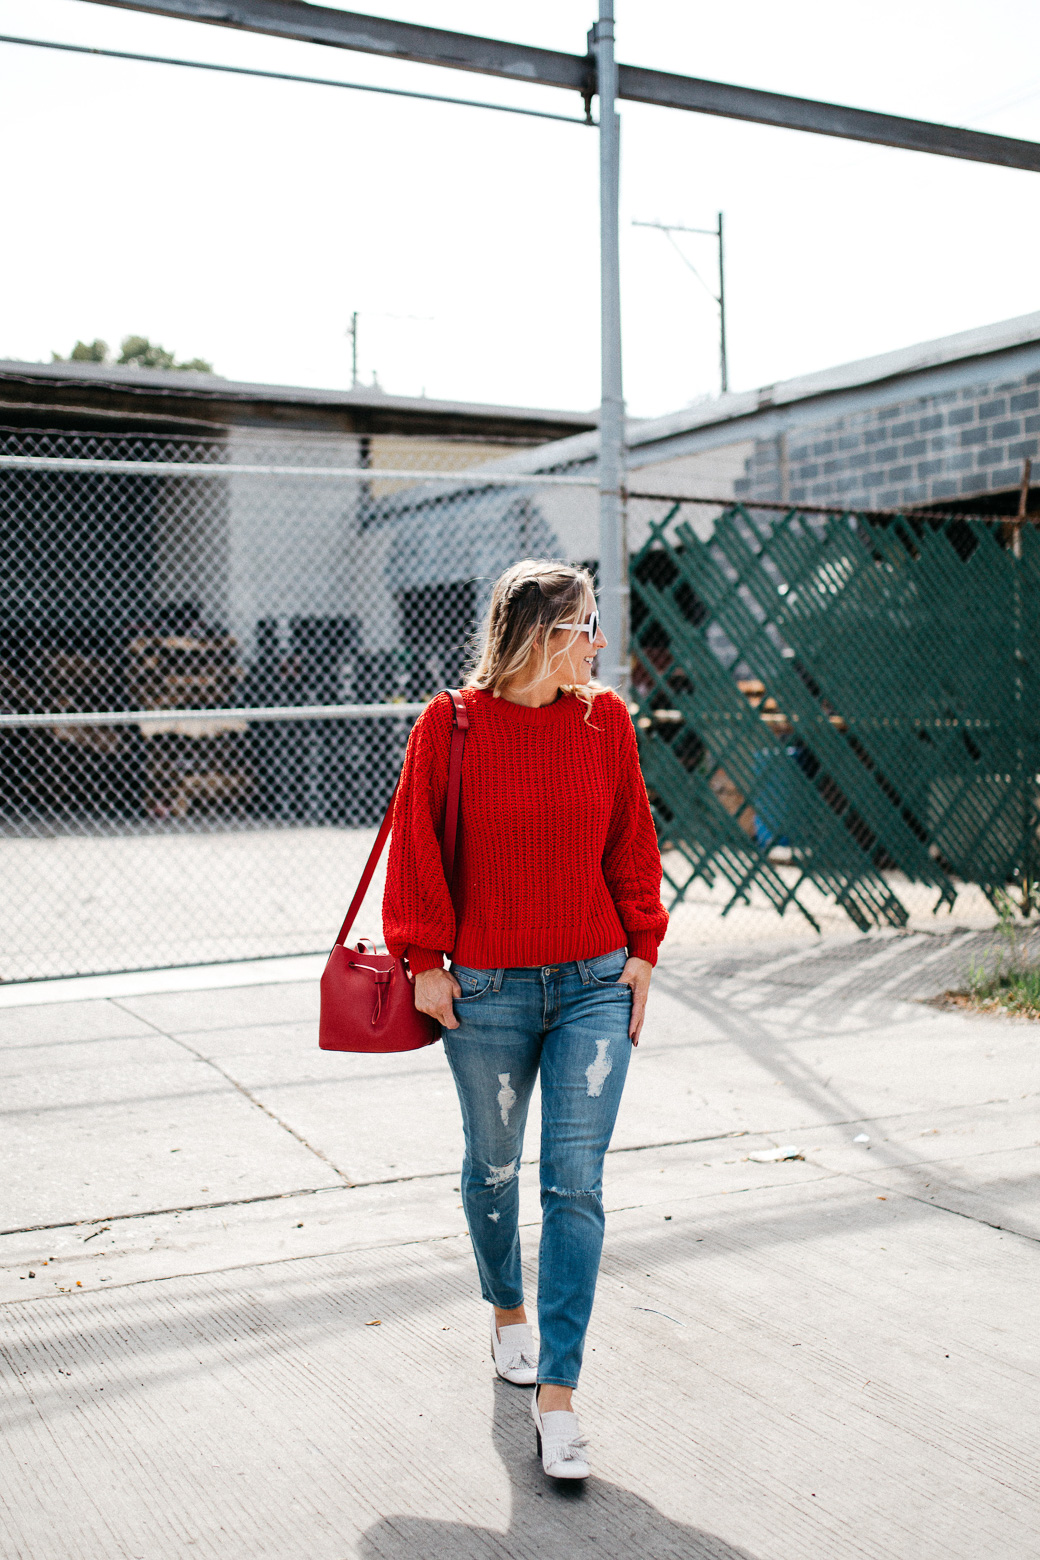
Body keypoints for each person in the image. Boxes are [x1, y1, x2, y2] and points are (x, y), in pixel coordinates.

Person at [383, 559, 668, 1481]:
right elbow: (417, 843)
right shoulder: (450, 724)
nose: (598, 642)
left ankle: (559, 1398)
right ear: (545, 634)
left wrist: (643, 948)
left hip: (592, 980)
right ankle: (508, 1308)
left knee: (574, 1183)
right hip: (489, 993)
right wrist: (424, 960)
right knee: (495, 1166)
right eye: (588, 624)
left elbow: (632, 839)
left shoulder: (606, 721)